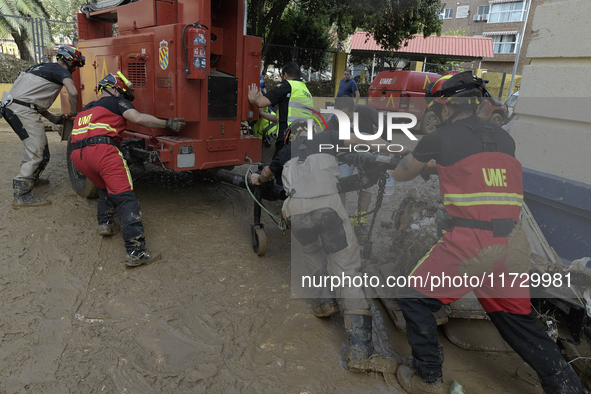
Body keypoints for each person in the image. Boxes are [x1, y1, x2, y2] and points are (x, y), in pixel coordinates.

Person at [391, 71, 584, 393]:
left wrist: (423, 160)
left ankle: (428, 379)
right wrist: (437, 165)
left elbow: (400, 174)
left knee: (413, 298)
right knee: (518, 323)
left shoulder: (439, 138)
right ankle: (569, 388)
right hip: (511, 244)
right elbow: (480, 171)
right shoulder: (504, 138)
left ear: (446, 107)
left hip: (471, 242)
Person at [248, 121, 400, 374]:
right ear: (314, 130)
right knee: (348, 269)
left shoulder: (283, 153)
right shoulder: (327, 138)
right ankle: (362, 352)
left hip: (295, 212)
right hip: (328, 209)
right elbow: (359, 141)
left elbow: (264, 177)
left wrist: (254, 177)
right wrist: (395, 150)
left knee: (311, 252)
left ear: (289, 137)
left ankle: (325, 301)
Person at [70, 72, 186, 267]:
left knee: (105, 186)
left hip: (78, 155)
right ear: (114, 89)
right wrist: (167, 124)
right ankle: (136, 251)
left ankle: (105, 223)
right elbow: (138, 118)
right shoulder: (116, 102)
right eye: (122, 93)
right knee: (125, 197)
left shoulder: (86, 109)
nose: (123, 97)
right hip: (102, 150)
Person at [1, 44, 84, 208]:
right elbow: (73, 93)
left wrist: (52, 118)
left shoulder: (39, 67)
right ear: (67, 61)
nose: (75, 69)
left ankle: (32, 178)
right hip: (21, 110)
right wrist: (73, 113)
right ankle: (21, 194)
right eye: (75, 64)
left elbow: (31, 99)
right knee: (37, 150)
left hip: (14, 106)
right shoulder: (61, 71)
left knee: (38, 148)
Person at [248, 60, 314, 154]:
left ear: (285, 74)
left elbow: (260, 103)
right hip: (306, 138)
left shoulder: (287, 85)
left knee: (278, 167)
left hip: (288, 139)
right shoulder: (305, 90)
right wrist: (262, 114)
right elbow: (284, 117)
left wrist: (252, 98)